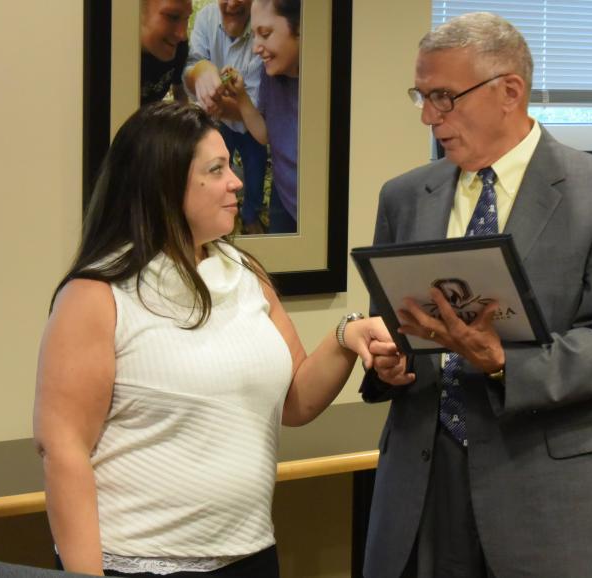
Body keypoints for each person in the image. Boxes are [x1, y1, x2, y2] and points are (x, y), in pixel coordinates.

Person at [361, 12, 592, 578]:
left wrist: (504, 365)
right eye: (422, 97)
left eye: (444, 98)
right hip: (421, 484)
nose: (429, 117)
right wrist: (387, 364)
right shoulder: (403, 196)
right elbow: (394, 325)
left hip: (546, 492)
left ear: (510, 91)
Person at [33, 101, 387, 577]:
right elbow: (63, 449)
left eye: (231, 167)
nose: (237, 182)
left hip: (250, 554)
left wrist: (347, 337)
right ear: (164, 184)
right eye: (216, 170)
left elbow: (295, 400)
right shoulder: (97, 295)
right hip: (138, 564)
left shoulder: (245, 273)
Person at [184, 0, 268, 235]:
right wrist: (203, 71)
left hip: (251, 128)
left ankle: (250, 214)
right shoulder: (206, 19)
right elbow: (191, 69)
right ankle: (218, 217)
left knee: (255, 170)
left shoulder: (262, 27)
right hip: (220, 124)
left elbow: (258, 109)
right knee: (216, 169)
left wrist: (220, 98)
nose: (232, 4)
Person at [224, 0, 300, 234]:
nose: (256, 47)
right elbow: (266, 134)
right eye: (254, 35)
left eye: (265, 34)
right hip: (284, 197)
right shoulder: (270, 74)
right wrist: (241, 97)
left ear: (300, 27)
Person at [140, 0, 192, 105]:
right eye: (173, 17)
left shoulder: (179, 46)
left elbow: (180, 94)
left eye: (186, 18)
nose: (182, 34)